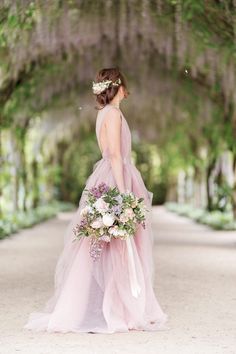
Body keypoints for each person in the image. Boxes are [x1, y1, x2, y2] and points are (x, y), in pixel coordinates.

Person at [23, 67, 168, 334]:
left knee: (109, 246)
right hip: (115, 177)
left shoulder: (105, 114)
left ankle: (116, 307)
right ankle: (115, 310)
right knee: (115, 246)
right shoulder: (112, 114)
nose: (127, 90)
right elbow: (113, 154)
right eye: (124, 85)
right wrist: (123, 192)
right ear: (117, 87)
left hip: (109, 175)